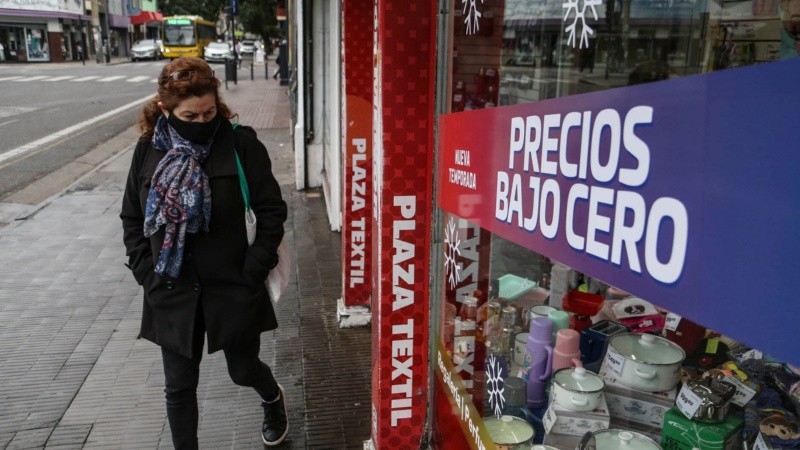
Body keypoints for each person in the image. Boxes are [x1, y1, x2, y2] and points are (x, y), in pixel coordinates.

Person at [120, 57, 289, 449]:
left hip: (233, 282)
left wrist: (253, 268)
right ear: (165, 109)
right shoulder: (148, 150)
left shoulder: (241, 143)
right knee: (179, 387)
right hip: (171, 285)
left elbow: (270, 210)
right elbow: (132, 216)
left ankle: (272, 396)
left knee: (243, 369)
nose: (201, 123)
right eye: (189, 116)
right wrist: (147, 273)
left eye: (209, 113)